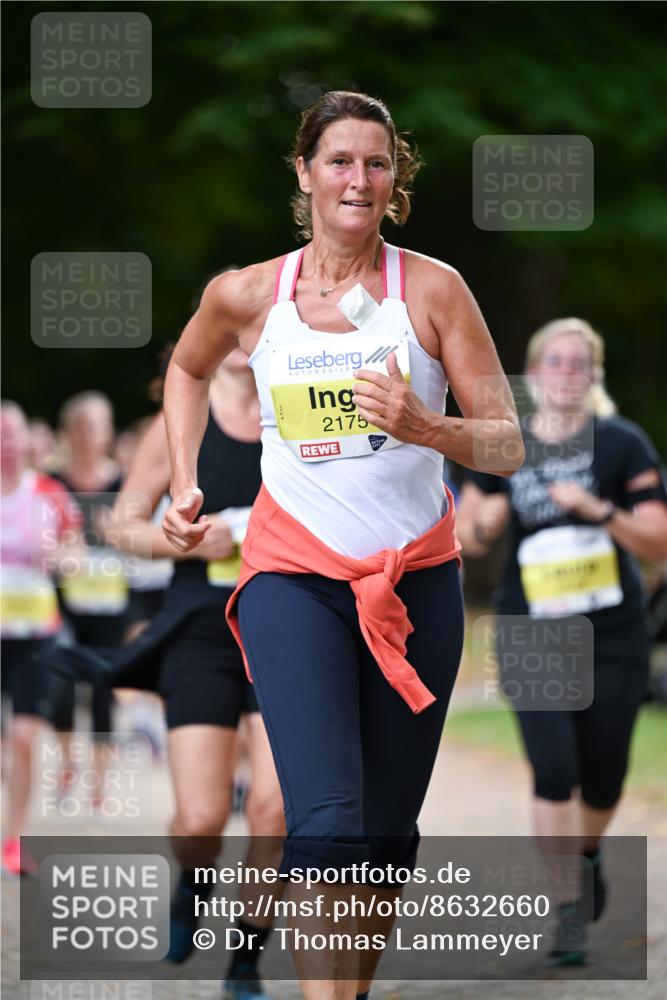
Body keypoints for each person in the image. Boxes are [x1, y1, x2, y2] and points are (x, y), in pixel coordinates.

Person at [161, 91, 523, 1000]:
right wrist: (181, 480)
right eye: (338, 161)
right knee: (323, 815)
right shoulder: (249, 296)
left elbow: (507, 441)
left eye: (374, 162)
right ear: (304, 174)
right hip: (294, 582)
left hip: (414, 586)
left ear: (393, 177)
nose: (356, 179)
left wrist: (423, 424)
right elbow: (186, 367)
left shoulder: (431, 290)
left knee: (385, 832)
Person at [47, 353, 285, 1000]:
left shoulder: (299, 411)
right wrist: (181, 540)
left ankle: (245, 960)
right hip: (202, 629)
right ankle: (195, 882)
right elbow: (120, 523)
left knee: (273, 811)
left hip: (287, 624)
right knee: (200, 818)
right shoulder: (181, 424)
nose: (244, 331)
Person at [456, 317, 667, 964]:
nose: (567, 374)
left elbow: (657, 541)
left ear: (594, 375)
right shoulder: (504, 446)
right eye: (555, 361)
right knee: (553, 769)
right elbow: (464, 533)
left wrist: (598, 510)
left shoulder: (621, 443)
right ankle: (567, 908)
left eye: (580, 363)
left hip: (610, 631)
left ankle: (589, 849)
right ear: (534, 372)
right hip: (531, 630)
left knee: (603, 777)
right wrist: (484, 525)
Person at [0, 401, 81, 874]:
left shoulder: (48, 492)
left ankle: (13, 838)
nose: (6, 445)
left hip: (35, 632)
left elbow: (75, 546)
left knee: (25, 738)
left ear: (27, 441)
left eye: (12, 435)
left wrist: (64, 558)